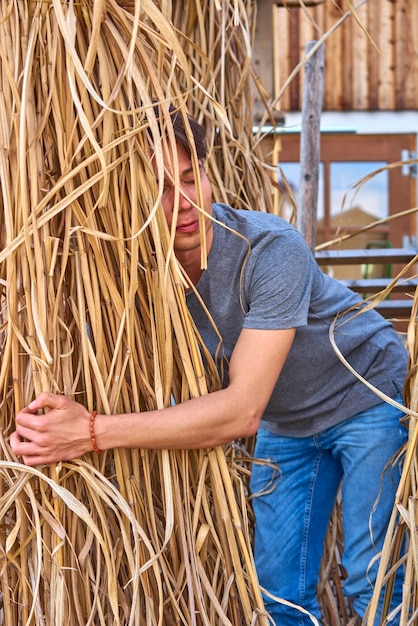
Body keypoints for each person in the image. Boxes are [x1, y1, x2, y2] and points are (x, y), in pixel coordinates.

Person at [10, 109, 407, 625]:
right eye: (160, 189)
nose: (183, 205)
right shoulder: (132, 276)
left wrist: (89, 432)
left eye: (191, 178)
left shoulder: (269, 250)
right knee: (279, 592)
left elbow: (242, 410)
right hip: (288, 420)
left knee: (369, 575)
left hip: (363, 391)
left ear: (208, 170)